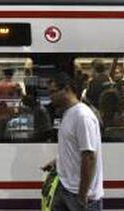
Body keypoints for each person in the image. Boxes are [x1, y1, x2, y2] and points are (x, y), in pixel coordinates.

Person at [42, 72, 103, 211]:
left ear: (67, 89)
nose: (50, 97)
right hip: (65, 187)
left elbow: (89, 157)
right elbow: (73, 147)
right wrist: (57, 161)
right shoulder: (69, 113)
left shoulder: (82, 116)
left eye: (53, 92)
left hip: (79, 193)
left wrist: (82, 195)